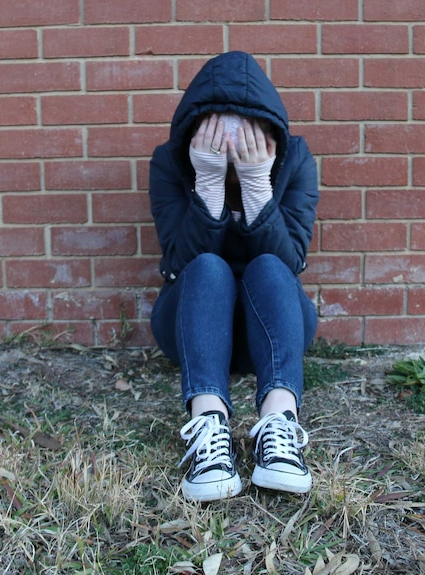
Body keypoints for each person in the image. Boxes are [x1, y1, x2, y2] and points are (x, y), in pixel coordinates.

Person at [148, 51, 319, 502]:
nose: (229, 141)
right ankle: (208, 430)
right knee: (208, 266)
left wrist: (258, 187)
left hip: (275, 323)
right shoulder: (170, 163)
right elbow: (177, 263)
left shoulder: (294, 160)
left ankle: (280, 426)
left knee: (268, 266)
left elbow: (291, 261)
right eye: (215, 127)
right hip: (192, 325)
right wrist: (207, 185)